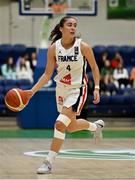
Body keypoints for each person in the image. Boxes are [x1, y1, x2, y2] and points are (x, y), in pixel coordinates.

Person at [26, 16, 105, 174]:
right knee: (70, 126)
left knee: (59, 124)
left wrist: (96, 87)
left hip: (78, 89)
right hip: (61, 89)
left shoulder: (83, 46)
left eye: (75, 25)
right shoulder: (53, 48)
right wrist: (31, 91)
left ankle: (48, 162)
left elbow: (95, 68)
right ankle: (96, 126)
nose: (73, 28)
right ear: (61, 28)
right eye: (69, 25)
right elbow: (47, 74)